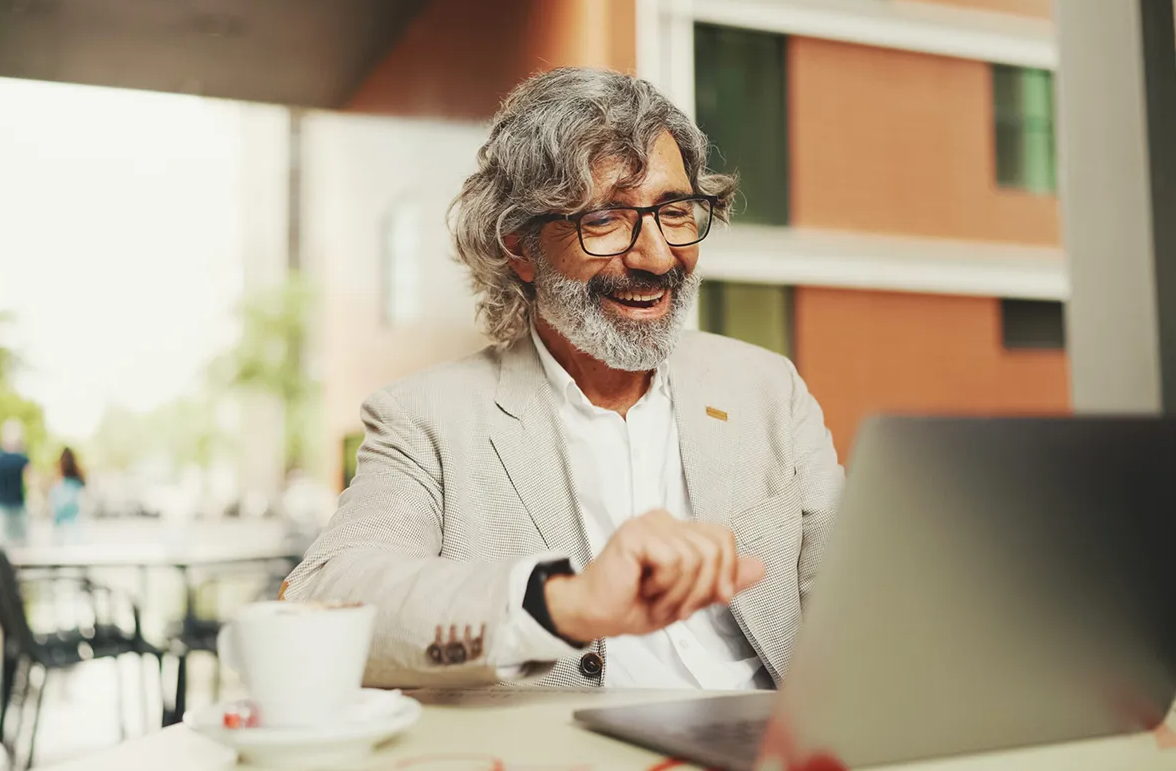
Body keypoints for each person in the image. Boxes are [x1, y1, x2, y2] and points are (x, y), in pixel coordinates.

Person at [283, 68, 844, 690]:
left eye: (675, 211)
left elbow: (859, 603)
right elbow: (329, 598)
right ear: (520, 248)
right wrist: (567, 603)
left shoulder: (768, 388)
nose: (657, 256)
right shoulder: (425, 418)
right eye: (604, 219)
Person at [0, 419, 31, 543]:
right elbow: (29, 480)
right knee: (20, 540)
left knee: (3, 541)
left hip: (1, 505)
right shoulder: (21, 458)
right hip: (18, 505)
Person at [48, 447, 86, 540]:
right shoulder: (79, 486)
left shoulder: (57, 487)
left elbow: (55, 511)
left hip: (62, 531)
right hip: (77, 530)